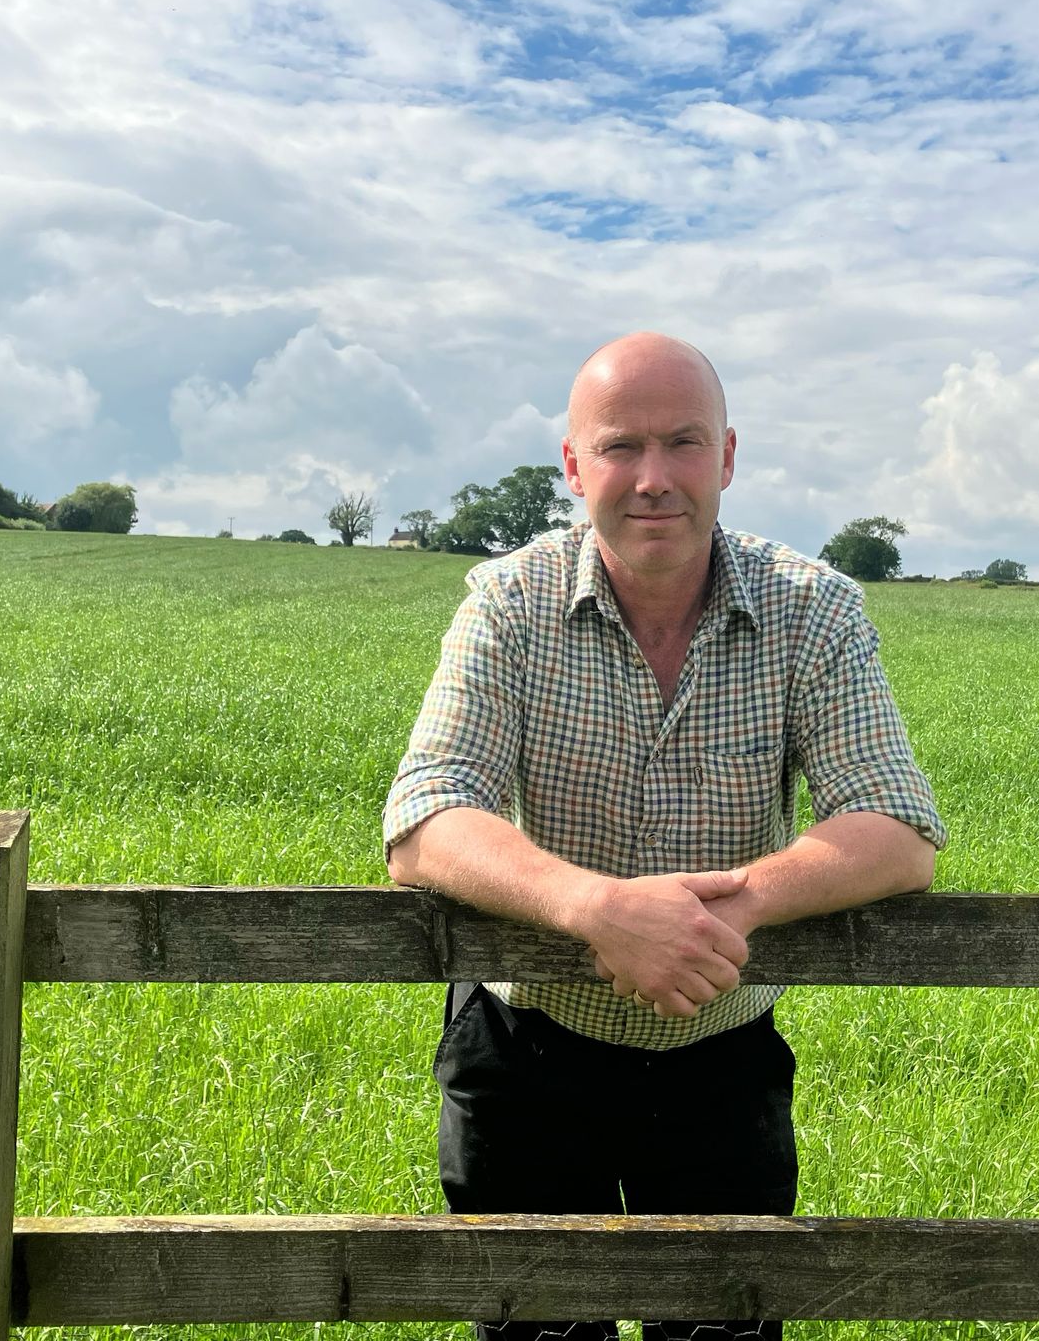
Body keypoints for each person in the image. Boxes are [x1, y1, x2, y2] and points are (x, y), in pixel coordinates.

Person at [383, 332, 947, 1341]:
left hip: (718, 1065)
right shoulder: (507, 604)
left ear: (725, 457)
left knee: (722, 1334)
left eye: (682, 444)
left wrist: (723, 912)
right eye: (619, 447)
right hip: (525, 1059)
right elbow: (425, 816)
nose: (652, 479)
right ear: (572, 466)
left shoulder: (810, 610)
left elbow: (895, 826)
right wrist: (595, 910)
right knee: (534, 1335)